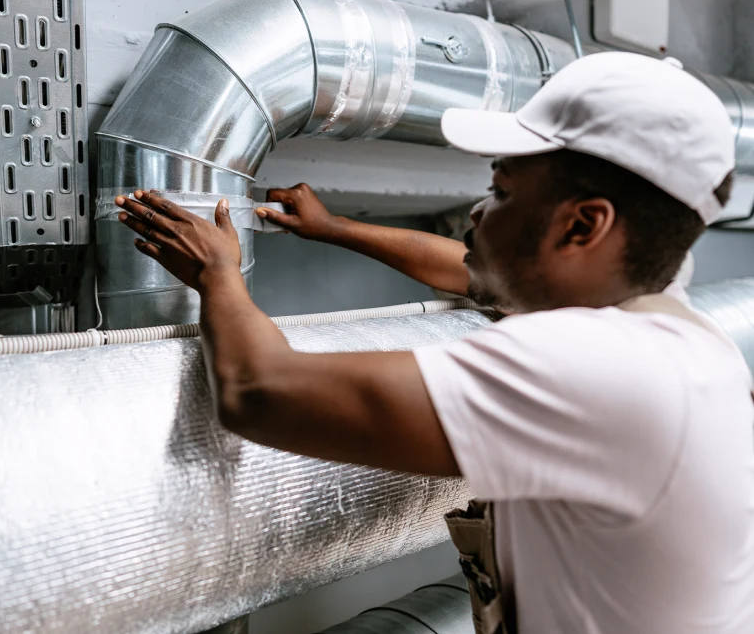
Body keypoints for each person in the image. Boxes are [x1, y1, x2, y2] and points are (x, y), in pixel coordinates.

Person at [114, 52, 754, 633]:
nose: (477, 211)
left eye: (501, 192)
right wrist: (335, 229)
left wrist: (218, 274)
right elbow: (476, 270)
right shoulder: (669, 328)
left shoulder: (597, 369)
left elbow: (262, 391)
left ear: (584, 225)